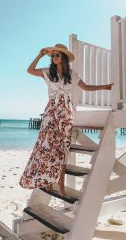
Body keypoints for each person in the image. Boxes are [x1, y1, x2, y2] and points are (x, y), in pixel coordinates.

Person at [19, 43, 113, 196]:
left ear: (63, 58)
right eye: (53, 55)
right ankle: (48, 180)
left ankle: (60, 183)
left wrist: (105, 87)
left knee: (62, 149)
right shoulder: (47, 73)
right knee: (47, 148)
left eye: (57, 55)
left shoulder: (72, 75)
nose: (55, 57)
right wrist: (39, 55)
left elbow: (87, 87)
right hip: (51, 113)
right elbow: (29, 70)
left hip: (66, 113)